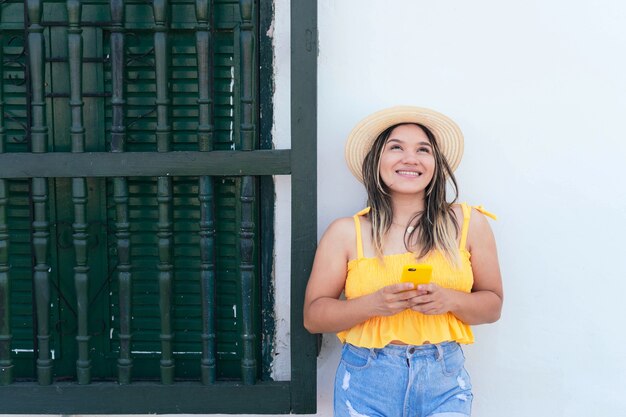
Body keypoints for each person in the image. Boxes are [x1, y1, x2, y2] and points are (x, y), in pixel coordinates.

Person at [303, 106, 503, 417]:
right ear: (376, 161)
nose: (411, 158)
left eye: (423, 150)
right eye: (396, 147)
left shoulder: (469, 223)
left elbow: (492, 307)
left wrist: (449, 299)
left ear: (435, 164)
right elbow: (314, 317)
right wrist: (374, 304)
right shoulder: (346, 232)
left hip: (444, 381)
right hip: (365, 380)